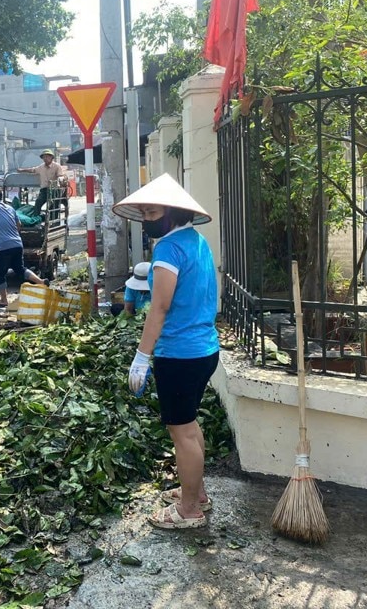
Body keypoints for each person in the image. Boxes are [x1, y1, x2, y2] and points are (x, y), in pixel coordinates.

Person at [113, 173, 219, 530]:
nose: (146, 219)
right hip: (204, 349)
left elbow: (158, 308)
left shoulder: (168, 249)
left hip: (180, 354)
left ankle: (189, 511)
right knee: (189, 425)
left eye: (153, 212)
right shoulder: (196, 241)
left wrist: (142, 357)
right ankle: (197, 492)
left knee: (181, 431)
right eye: (143, 212)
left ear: (173, 212)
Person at [0, 188, 47, 308]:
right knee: (19, 268)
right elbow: (19, 225)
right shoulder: (10, 208)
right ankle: (41, 282)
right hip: (17, 243)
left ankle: (4, 300)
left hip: (3, 246)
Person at [18, 149, 66, 215]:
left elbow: (60, 176)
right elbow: (33, 170)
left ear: (51, 157)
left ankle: (53, 221)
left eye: (47, 157)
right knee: (38, 202)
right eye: (44, 157)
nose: (45, 158)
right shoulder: (41, 167)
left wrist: (59, 180)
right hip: (44, 190)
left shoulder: (57, 166)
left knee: (54, 206)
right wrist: (22, 170)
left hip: (55, 190)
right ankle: (36, 218)